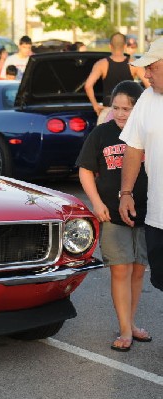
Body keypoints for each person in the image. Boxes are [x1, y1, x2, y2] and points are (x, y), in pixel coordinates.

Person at [77, 80, 151, 352]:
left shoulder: (149, 133)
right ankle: (124, 330)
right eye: (116, 108)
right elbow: (85, 170)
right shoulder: (101, 134)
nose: (120, 114)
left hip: (147, 214)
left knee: (138, 271)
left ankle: (131, 323)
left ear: (139, 109)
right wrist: (96, 203)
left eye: (127, 109)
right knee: (121, 269)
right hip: (112, 215)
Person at [119, 36, 163, 295]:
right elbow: (134, 148)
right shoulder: (147, 98)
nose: (145, 74)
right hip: (158, 216)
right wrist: (126, 193)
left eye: (152, 67)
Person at [85, 32, 149, 126]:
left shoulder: (101, 64)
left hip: (108, 109)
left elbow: (88, 85)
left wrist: (95, 105)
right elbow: (149, 85)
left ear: (110, 46)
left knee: (105, 139)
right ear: (125, 46)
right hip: (129, 112)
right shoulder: (134, 64)